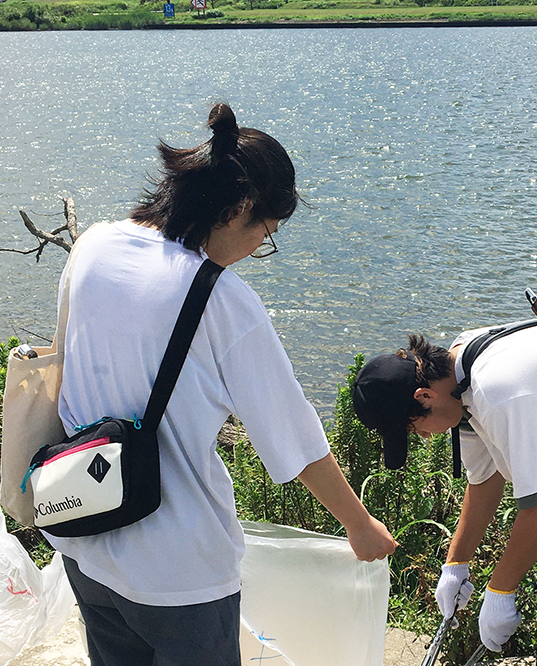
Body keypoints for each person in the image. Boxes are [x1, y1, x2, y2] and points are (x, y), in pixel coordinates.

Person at [45, 103, 397, 666]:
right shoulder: (222, 301)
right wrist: (360, 525)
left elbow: (59, 367)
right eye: (268, 233)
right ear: (239, 209)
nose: (261, 247)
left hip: (82, 531)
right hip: (178, 572)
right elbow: (293, 438)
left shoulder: (94, 245)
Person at [353, 323, 537, 664]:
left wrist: (501, 590)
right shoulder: (459, 373)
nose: (425, 438)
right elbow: (484, 480)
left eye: (415, 428)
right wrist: (456, 564)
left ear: (425, 397)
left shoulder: (499, 391)